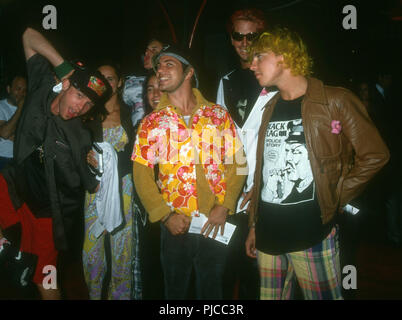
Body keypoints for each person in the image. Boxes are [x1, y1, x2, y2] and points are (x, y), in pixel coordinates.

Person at [245, 27, 390, 300]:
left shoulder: (334, 101)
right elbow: (264, 172)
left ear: (284, 57)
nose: (251, 64)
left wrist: (335, 197)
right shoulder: (269, 106)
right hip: (268, 235)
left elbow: (375, 155)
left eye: (259, 56)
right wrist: (254, 224)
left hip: (310, 233)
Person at [0, 27, 111, 300]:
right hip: (19, 190)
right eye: (79, 95)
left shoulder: (79, 135)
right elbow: (28, 35)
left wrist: (97, 166)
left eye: (88, 104)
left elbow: (92, 184)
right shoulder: (39, 84)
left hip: (50, 215)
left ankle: (19, 259)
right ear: (65, 84)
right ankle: (8, 251)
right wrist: (62, 66)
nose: (80, 108)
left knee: (45, 280)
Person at [132, 46, 247, 299]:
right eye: (158, 66)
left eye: (169, 64)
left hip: (215, 223)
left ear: (189, 72)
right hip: (176, 225)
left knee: (213, 290)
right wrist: (165, 216)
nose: (160, 70)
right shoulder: (151, 122)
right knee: (176, 292)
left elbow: (238, 164)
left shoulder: (217, 115)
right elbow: (141, 176)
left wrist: (224, 206)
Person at [216, 7, 275, 299]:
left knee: (258, 274)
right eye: (238, 35)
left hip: (264, 192)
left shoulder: (274, 81)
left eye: (251, 35)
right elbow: (218, 139)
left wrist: (261, 182)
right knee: (226, 271)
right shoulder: (225, 81)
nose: (244, 41)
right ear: (231, 38)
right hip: (231, 192)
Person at [83, 63, 139, 299]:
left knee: (122, 252)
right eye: (101, 79)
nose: (106, 83)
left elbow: (140, 153)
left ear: (120, 82)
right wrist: (85, 157)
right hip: (95, 189)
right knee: (91, 254)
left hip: (124, 187)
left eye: (111, 78)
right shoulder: (88, 111)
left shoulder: (130, 112)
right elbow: (75, 149)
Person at [123, 38, 165, 127]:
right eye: (146, 50)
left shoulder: (173, 82)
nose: (146, 53)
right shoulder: (132, 83)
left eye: (153, 49)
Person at [0, 75, 27, 169]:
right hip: (3, 159)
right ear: (9, 89)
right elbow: (4, 133)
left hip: (20, 160)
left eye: (24, 90)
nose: (21, 93)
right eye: (18, 89)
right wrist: (20, 108)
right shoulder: (1, 107)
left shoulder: (28, 110)